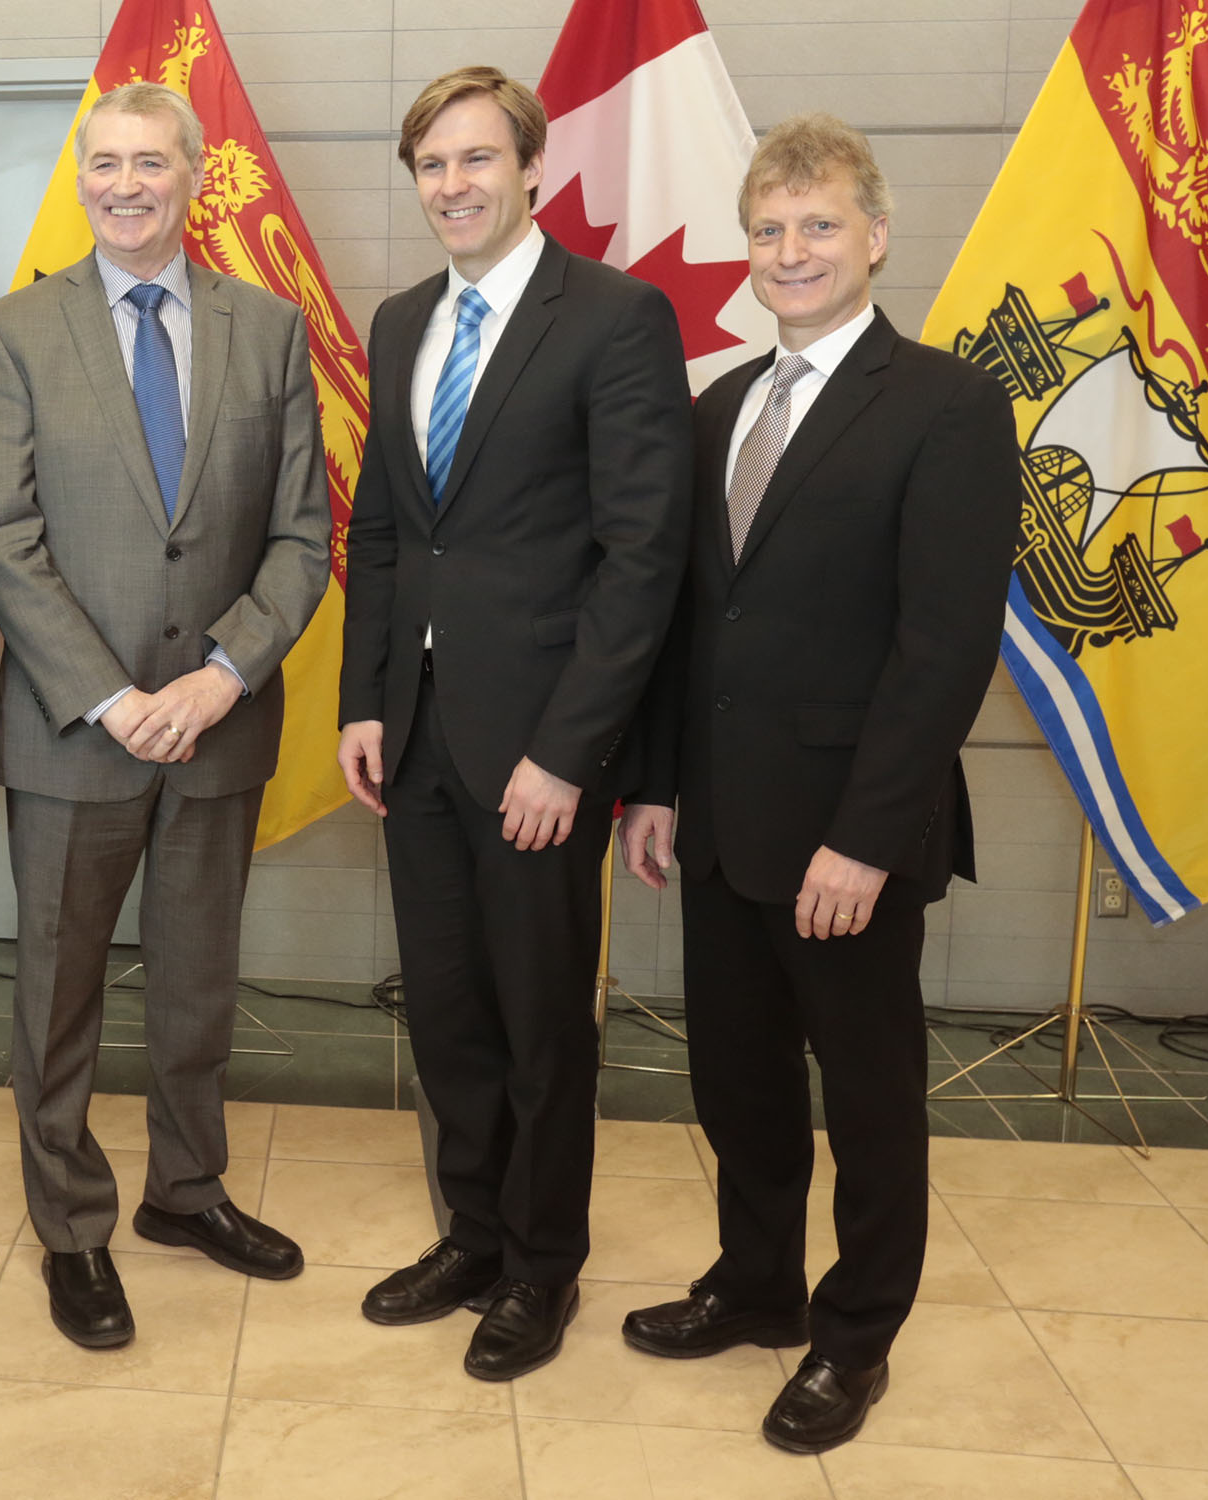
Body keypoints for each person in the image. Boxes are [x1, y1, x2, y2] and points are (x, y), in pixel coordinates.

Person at [616, 114, 1020, 1454]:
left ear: (876, 237)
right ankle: (758, 1285)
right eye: (773, 230)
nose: (793, 252)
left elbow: (943, 648)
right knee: (738, 1084)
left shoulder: (950, 406)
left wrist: (866, 838)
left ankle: (854, 1339)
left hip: (848, 840)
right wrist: (660, 786)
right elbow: (694, 626)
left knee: (867, 1097)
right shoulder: (721, 401)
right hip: (724, 825)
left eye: (821, 226)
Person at [336, 66, 693, 1382]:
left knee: (544, 1023)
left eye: (477, 159)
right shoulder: (399, 321)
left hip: (540, 748)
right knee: (446, 1011)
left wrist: (568, 751)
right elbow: (381, 530)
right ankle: (472, 1235)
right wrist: (364, 701)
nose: (454, 185)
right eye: (431, 164)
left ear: (531, 168)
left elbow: (641, 556)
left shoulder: (613, 317)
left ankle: (543, 1266)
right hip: (416, 738)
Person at [0, 81, 329, 1350]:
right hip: (78, 733)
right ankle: (71, 1227)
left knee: (195, 987)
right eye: (106, 163)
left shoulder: (269, 329)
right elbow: (4, 540)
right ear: (83, 177)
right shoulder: (15, 330)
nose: (128, 184)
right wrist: (116, 697)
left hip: (220, 723)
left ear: (193, 174)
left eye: (152, 163)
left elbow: (301, 537)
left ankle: (187, 1192)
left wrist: (220, 676)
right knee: (58, 993)